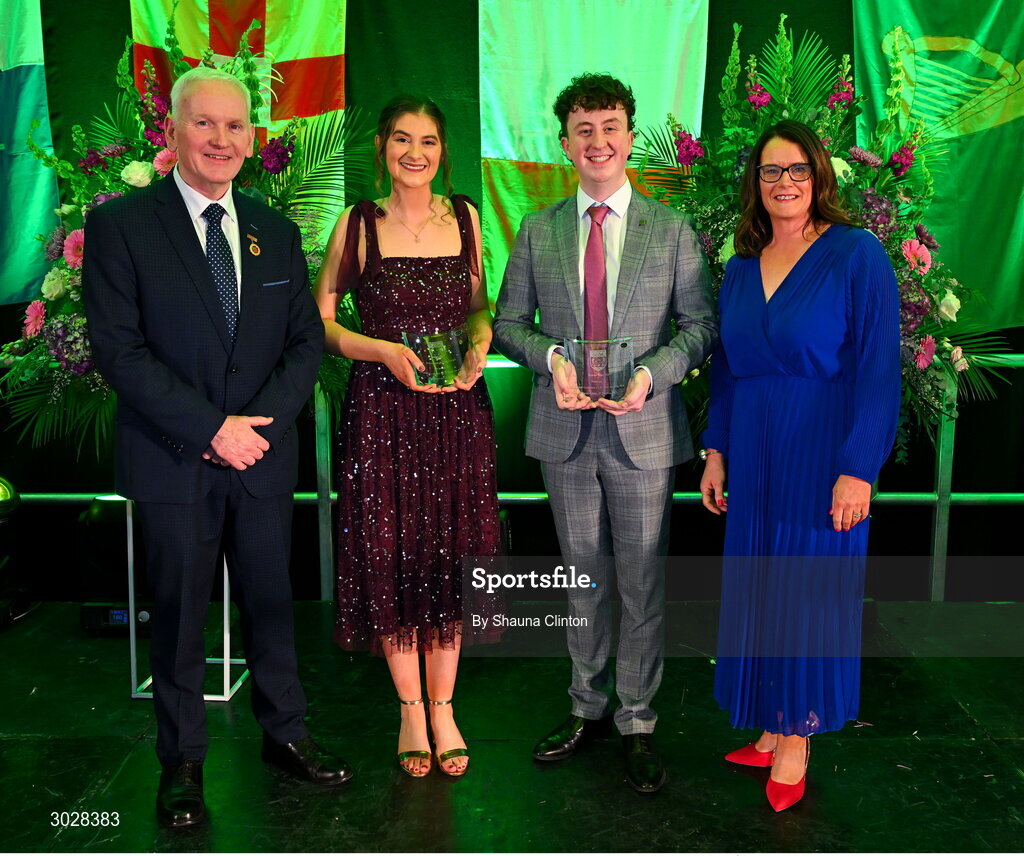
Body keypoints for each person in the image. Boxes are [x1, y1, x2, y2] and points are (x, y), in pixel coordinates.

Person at [83, 67, 352, 829]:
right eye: (205, 124)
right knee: (176, 616)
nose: (221, 140)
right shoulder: (122, 226)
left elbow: (304, 344)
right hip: (174, 460)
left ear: (251, 140)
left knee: (272, 603)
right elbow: (119, 351)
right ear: (172, 131)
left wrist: (254, 428)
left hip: (262, 460)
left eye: (236, 127)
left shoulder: (277, 230)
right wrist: (211, 430)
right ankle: (183, 762)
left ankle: (285, 734)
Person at [493, 73, 717, 793]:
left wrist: (653, 373)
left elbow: (700, 329)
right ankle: (586, 707)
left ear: (629, 134)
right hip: (564, 433)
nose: (599, 140)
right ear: (564, 143)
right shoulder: (537, 229)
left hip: (644, 434)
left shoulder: (671, 229)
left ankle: (638, 720)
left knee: (642, 585)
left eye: (611, 125)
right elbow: (506, 326)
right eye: (584, 128)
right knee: (582, 581)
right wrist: (552, 358)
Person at [699, 119, 901, 811]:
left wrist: (859, 467)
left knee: (807, 593)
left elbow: (879, 372)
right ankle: (767, 717)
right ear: (754, 184)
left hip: (822, 450)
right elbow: (725, 370)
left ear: (820, 177)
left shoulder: (856, 254)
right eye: (769, 172)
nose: (783, 183)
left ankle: (797, 736)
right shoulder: (740, 266)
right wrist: (716, 451)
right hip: (753, 449)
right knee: (758, 588)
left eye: (797, 171)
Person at [315, 95, 498, 779]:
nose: (414, 153)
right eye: (401, 140)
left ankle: (444, 705)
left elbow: (481, 308)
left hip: (456, 413)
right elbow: (324, 324)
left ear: (443, 150)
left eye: (427, 140)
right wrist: (382, 352)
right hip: (383, 414)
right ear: (382, 150)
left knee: (448, 551)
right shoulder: (357, 226)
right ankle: (410, 711)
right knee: (391, 551)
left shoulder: (469, 219)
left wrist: (478, 348)